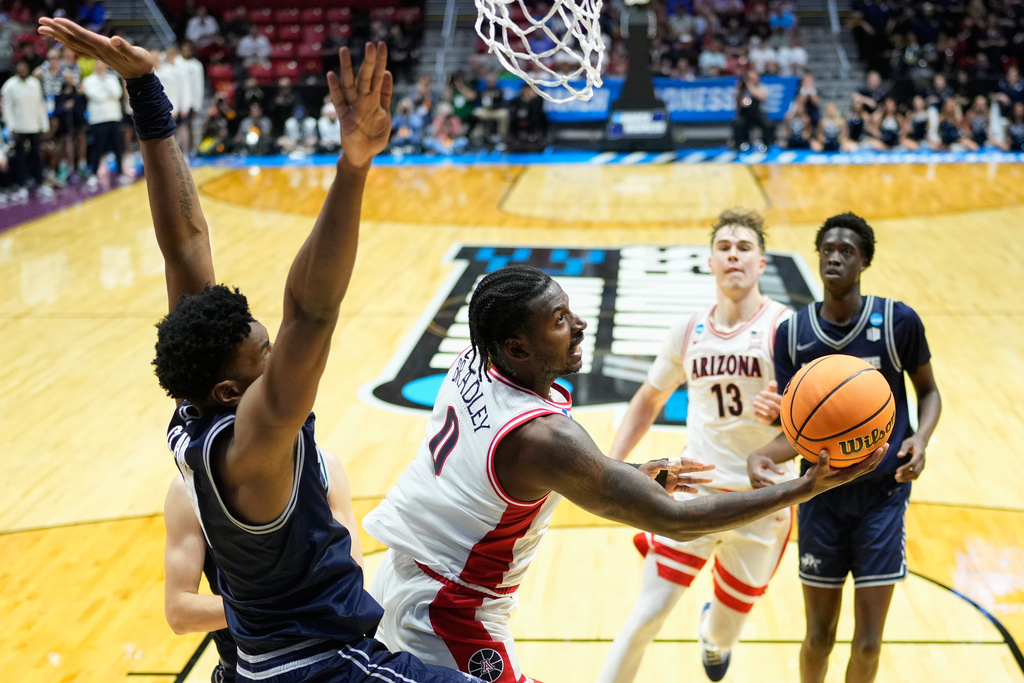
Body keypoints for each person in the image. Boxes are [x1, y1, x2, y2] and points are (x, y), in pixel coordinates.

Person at [37, 16, 482, 683]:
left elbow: (185, 240)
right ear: (230, 390)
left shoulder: (194, 413)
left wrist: (146, 93)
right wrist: (353, 165)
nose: (278, 361)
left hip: (262, 661)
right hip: (323, 665)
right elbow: (313, 309)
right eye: (264, 357)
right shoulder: (254, 444)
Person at [362, 263, 886, 681]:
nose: (580, 324)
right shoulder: (544, 438)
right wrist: (807, 485)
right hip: (449, 609)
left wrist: (625, 470)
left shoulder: (477, 359)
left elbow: (530, 467)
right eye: (559, 319)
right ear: (518, 347)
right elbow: (674, 521)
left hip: (404, 573)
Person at [596, 210, 797, 683]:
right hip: (694, 496)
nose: (733, 254)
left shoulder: (786, 330)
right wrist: (610, 466)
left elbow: (815, 423)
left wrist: (787, 411)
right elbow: (647, 399)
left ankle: (713, 636)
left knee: (726, 633)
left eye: (744, 247)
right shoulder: (688, 330)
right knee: (645, 616)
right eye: (724, 246)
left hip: (761, 501)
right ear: (709, 261)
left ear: (762, 263)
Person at [747, 212, 942, 683]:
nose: (834, 257)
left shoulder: (898, 322)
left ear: (865, 260)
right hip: (819, 498)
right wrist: (762, 454)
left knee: (869, 639)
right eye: (827, 250)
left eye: (846, 251)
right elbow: (802, 430)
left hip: (883, 496)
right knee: (819, 635)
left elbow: (929, 392)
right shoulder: (791, 334)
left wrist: (920, 438)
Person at [163, 448, 364, 683]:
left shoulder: (323, 466)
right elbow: (179, 613)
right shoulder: (188, 490)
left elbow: (354, 585)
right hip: (247, 669)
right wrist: (276, 609)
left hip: (333, 660)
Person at [1, 60, 52, 199]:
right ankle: (21, 185)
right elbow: (7, 108)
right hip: (18, 127)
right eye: (20, 69)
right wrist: (11, 127)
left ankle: (39, 182)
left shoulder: (35, 84)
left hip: (34, 126)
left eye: (25, 68)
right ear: (16, 71)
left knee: (37, 155)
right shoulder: (9, 86)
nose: (23, 71)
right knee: (20, 157)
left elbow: (41, 105)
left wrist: (44, 125)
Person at [732, 69, 773, 151]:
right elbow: (737, 102)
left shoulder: (762, 87)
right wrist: (740, 89)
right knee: (737, 123)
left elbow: (761, 96)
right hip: (746, 114)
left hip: (758, 113)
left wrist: (750, 86)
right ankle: (741, 144)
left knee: (768, 124)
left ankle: (766, 144)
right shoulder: (742, 89)